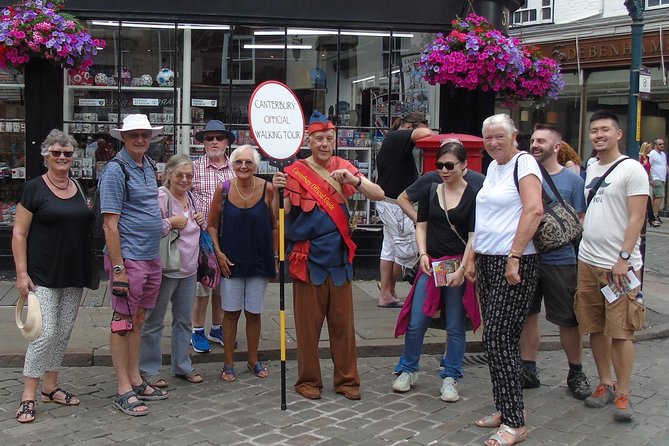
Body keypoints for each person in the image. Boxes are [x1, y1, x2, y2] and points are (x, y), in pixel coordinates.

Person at [271, 110, 384, 400]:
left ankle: (348, 381)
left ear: (335, 140)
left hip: (339, 260)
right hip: (308, 260)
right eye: (319, 138)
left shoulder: (344, 167)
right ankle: (308, 380)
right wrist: (278, 193)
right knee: (307, 329)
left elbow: (379, 195)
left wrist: (354, 180)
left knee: (343, 327)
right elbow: (280, 216)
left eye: (329, 139)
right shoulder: (295, 172)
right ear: (309, 140)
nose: (324, 144)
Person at [462, 114, 543, 446]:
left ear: (514, 136)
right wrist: (472, 257)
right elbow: (484, 218)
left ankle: (514, 422)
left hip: (515, 262)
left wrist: (514, 256)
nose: (493, 143)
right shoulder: (494, 167)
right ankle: (505, 407)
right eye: (487, 138)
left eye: (499, 136)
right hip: (489, 261)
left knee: (498, 337)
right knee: (496, 339)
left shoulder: (524, 164)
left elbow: (534, 210)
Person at [12, 130, 93, 424]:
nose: (62, 158)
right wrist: (21, 274)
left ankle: (50, 387)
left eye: (67, 153)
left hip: (73, 271)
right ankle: (28, 396)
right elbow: (19, 232)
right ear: (46, 155)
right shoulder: (34, 189)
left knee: (61, 333)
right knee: (43, 334)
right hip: (42, 273)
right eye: (56, 153)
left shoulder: (79, 187)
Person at [575, 110, 648, 422]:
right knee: (594, 326)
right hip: (588, 261)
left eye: (605, 130)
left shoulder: (632, 169)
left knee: (621, 332)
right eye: (594, 131)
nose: (598, 135)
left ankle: (623, 392)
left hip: (618, 266)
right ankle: (605, 382)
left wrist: (624, 259)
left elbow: (637, 217)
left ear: (619, 134)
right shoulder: (591, 166)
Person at [392, 142, 478, 403]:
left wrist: (463, 269)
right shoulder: (431, 191)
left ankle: (451, 375)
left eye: (450, 165)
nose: (444, 170)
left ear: (464, 165)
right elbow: (422, 226)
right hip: (432, 265)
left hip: (456, 266)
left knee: (454, 325)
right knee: (417, 321)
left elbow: (475, 236)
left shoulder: (474, 194)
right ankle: (408, 368)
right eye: (439, 165)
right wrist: (423, 255)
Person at [100, 114, 168, 417]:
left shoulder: (147, 166)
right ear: (123, 138)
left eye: (145, 134)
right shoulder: (116, 170)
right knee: (122, 322)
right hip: (128, 258)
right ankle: (123, 388)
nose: (140, 139)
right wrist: (119, 269)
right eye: (134, 135)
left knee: (139, 319)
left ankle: (136, 378)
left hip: (151, 256)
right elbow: (109, 225)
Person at [519, 124, 591, 400]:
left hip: (561, 259)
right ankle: (528, 369)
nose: (535, 145)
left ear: (557, 147)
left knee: (568, 319)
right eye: (533, 140)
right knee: (528, 314)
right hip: (527, 256)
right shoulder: (523, 176)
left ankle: (576, 371)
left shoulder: (573, 182)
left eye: (542, 141)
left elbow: (580, 220)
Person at [207, 145, 277, 382]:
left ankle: (253, 360)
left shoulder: (268, 189)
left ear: (256, 166)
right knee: (231, 313)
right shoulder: (223, 189)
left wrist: (276, 258)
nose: (244, 167)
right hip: (231, 262)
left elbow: (276, 225)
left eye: (248, 162)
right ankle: (228, 362)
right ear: (232, 165)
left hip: (259, 260)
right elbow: (212, 225)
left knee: (254, 313)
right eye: (239, 162)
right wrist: (218, 252)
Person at [139, 155, 206, 388]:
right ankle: (148, 370)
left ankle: (182, 365)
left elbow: (195, 228)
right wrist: (170, 223)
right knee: (154, 321)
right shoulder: (161, 196)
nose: (185, 179)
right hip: (166, 269)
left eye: (189, 175)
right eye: (180, 175)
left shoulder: (191, 197)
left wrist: (200, 219)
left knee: (184, 321)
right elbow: (147, 227)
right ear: (168, 174)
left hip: (189, 268)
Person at [374, 112, 434, 307]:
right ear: (410, 127)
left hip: (388, 203)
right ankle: (386, 291)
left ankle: (387, 293)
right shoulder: (397, 137)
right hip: (396, 206)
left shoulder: (394, 141)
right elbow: (425, 134)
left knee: (389, 249)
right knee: (407, 252)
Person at [190, 120, 236, 353]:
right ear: (203, 143)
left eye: (219, 138)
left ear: (227, 142)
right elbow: (181, 198)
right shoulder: (194, 168)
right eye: (210, 138)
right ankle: (197, 330)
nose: (215, 142)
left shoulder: (236, 168)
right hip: (201, 237)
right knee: (202, 287)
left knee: (223, 285)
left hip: (228, 235)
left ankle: (217, 328)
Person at [639, 142, 659, 227]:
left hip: (646, 180)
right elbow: (638, 167)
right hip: (640, 181)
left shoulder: (648, 157)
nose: (651, 150)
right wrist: (643, 164)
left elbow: (649, 169)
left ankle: (651, 219)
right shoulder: (640, 156)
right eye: (649, 148)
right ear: (645, 148)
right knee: (647, 200)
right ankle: (652, 220)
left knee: (647, 200)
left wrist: (650, 179)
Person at [648, 138, 667, 225]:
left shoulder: (663, 154)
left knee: (656, 197)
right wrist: (650, 179)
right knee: (660, 196)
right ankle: (655, 215)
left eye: (663, 144)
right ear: (655, 145)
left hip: (662, 178)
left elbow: (664, 164)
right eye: (660, 144)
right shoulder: (652, 154)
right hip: (656, 178)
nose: (662, 145)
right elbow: (649, 166)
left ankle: (652, 215)